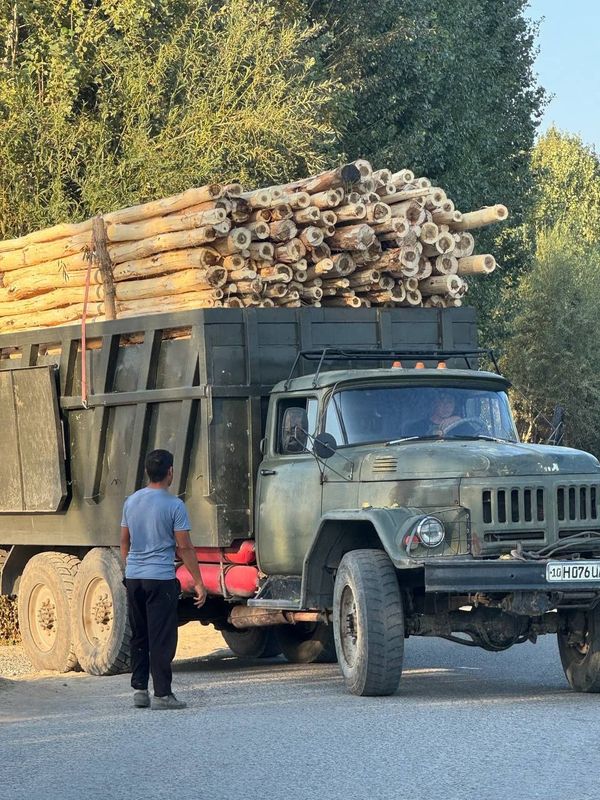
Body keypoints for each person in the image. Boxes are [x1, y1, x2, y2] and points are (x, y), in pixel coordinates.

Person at [120, 449, 207, 710]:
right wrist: (198, 581)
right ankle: (162, 694)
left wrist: (132, 567)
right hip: (160, 579)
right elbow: (185, 547)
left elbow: (124, 542)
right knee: (161, 637)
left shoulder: (131, 501)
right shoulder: (174, 505)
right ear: (170, 472)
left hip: (134, 577)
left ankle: (139, 691)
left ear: (147, 471)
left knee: (139, 634)